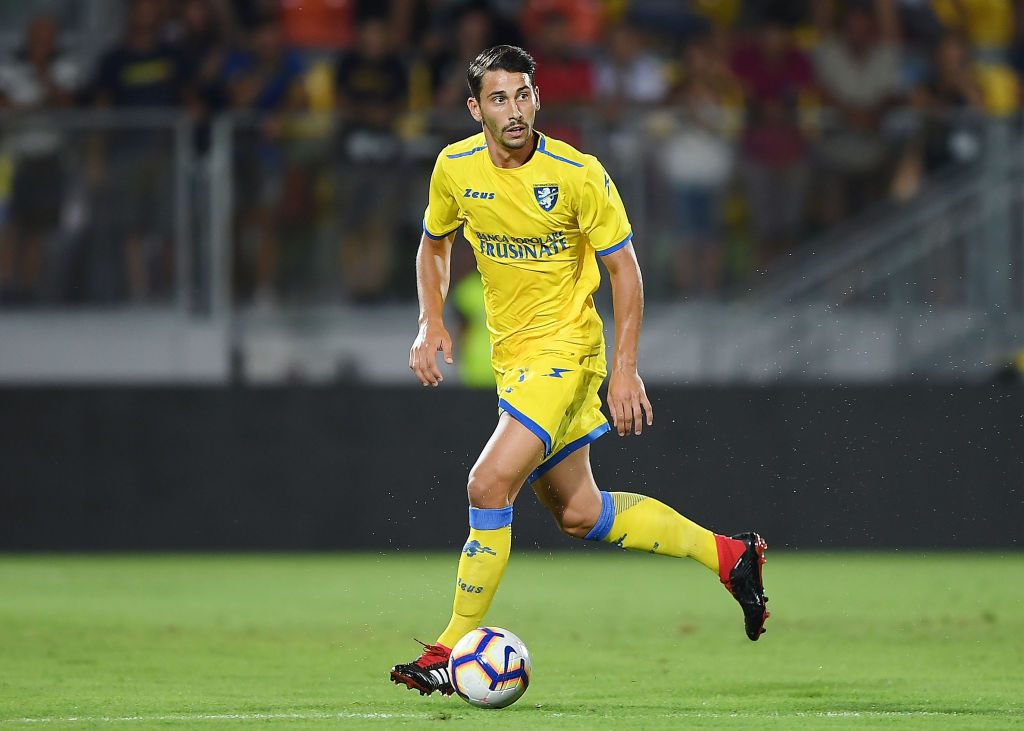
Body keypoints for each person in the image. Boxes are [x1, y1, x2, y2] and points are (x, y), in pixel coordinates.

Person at [389, 45, 769, 698]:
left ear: (539, 97)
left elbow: (626, 270)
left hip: (568, 352)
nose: (515, 110)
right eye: (500, 98)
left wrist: (625, 370)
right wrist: (430, 320)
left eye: (524, 94)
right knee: (580, 512)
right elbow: (433, 243)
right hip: (516, 361)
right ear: (475, 108)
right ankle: (732, 557)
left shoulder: (576, 173)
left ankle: (448, 647)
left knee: (487, 484)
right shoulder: (454, 168)